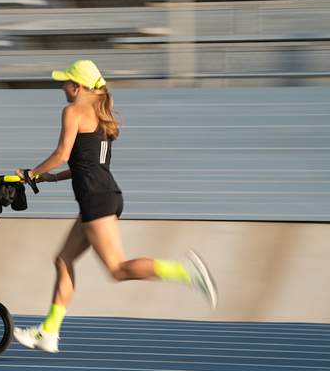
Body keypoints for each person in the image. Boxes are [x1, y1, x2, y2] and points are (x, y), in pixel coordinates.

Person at [13, 60, 218, 354]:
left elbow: (62, 153)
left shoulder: (72, 112)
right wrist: (51, 178)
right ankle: (49, 332)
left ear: (78, 86)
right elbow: (86, 164)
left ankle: (185, 272)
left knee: (117, 269)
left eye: (65, 82)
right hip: (102, 194)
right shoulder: (100, 115)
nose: (62, 88)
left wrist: (30, 175)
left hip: (96, 198)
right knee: (63, 259)